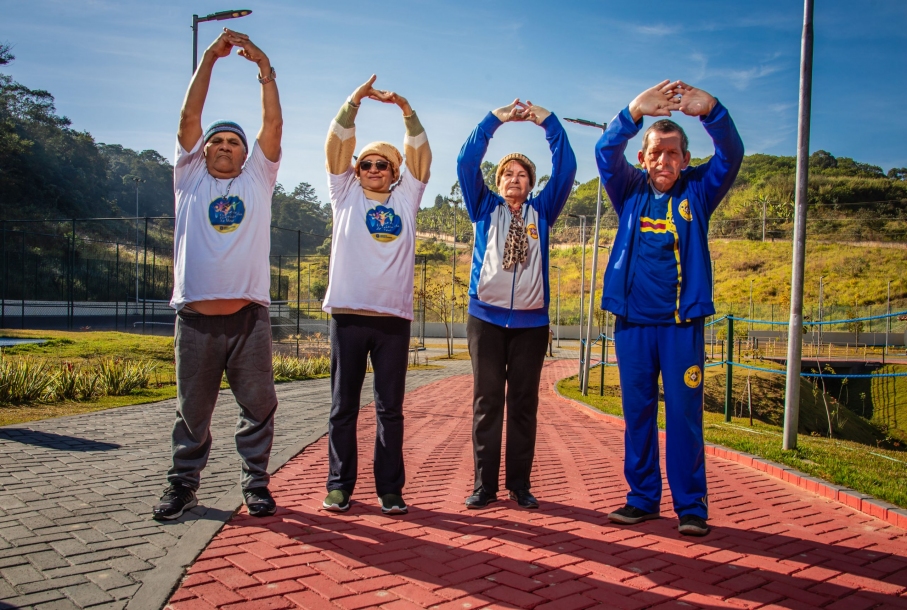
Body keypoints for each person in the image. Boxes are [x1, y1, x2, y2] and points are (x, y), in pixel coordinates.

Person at [595, 80, 743, 536]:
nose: (664, 160)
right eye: (656, 152)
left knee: (682, 415)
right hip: (634, 326)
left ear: (686, 159)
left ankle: (691, 506)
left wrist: (712, 111)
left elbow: (732, 155)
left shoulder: (698, 192)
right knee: (637, 414)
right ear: (642, 158)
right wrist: (633, 112)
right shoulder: (628, 189)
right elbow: (605, 152)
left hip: (681, 329)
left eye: (674, 152)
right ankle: (641, 499)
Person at [152, 29, 283, 521]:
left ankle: (256, 486)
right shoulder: (188, 177)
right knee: (193, 413)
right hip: (196, 320)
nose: (225, 146)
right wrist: (210, 57)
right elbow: (190, 116)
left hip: (249, 318)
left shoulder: (258, 178)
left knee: (259, 408)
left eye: (234, 142)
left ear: (246, 154)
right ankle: (182, 486)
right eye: (217, 141)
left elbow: (273, 122)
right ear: (203, 150)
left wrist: (263, 68)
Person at [458, 99, 576, 510]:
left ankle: (520, 485)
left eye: (522, 174)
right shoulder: (484, 208)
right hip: (485, 320)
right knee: (487, 402)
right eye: (507, 173)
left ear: (530, 184)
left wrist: (548, 121)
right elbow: (465, 161)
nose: (514, 179)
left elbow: (567, 169)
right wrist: (496, 121)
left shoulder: (542, 212)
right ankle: (483, 486)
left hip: (530, 325)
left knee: (523, 405)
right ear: (498, 180)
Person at [321, 75, 431, 515]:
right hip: (347, 317)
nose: (372, 171)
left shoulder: (407, 197)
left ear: (394, 172)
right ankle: (338, 486)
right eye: (365, 164)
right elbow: (335, 145)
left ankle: (389, 489)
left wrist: (406, 109)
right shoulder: (343, 193)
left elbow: (421, 155)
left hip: (392, 320)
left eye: (380, 165)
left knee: (390, 410)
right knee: (343, 408)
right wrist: (353, 103)